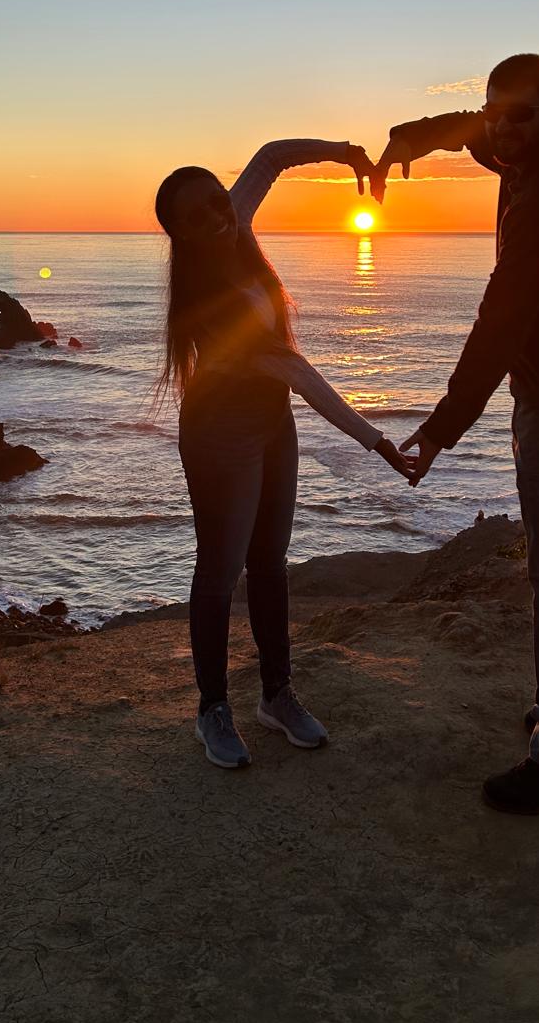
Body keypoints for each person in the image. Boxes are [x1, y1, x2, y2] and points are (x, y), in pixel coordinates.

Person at [376, 54, 539, 815]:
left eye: (519, 115)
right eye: (495, 110)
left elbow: (502, 322)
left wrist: (441, 429)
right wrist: (407, 139)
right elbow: (468, 130)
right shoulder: (521, 152)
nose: (500, 128)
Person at [155, 140, 411, 770]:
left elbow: (271, 156)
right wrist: (377, 441)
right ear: (180, 234)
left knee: (269, 562)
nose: (217, 216)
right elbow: (295, 370)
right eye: (197, 216)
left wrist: (349, 154)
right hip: (221, 433)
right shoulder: (205, 300)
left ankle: (277, 695)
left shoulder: (235, 220)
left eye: (217, 200)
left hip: (273, 423)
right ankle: (213, 709)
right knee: (220, 572)